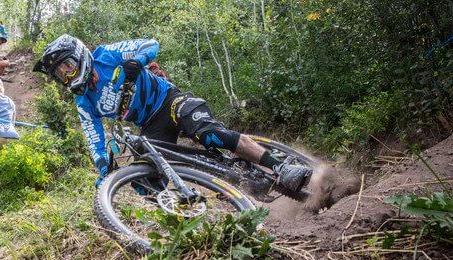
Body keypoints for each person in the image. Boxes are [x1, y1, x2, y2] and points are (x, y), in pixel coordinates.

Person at [33, 35, 313, 193]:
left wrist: (136, 62)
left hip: (169, 100)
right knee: (145, 182)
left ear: (80, 56)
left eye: (67, 66)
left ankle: (279, 165)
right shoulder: (83, 101)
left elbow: (150, 44)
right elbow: (93, 137)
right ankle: (181, 218)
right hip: (150, 126)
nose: (66, 75)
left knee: (210, 134)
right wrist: (103, 168)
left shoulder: (106, 55)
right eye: (60, 74)